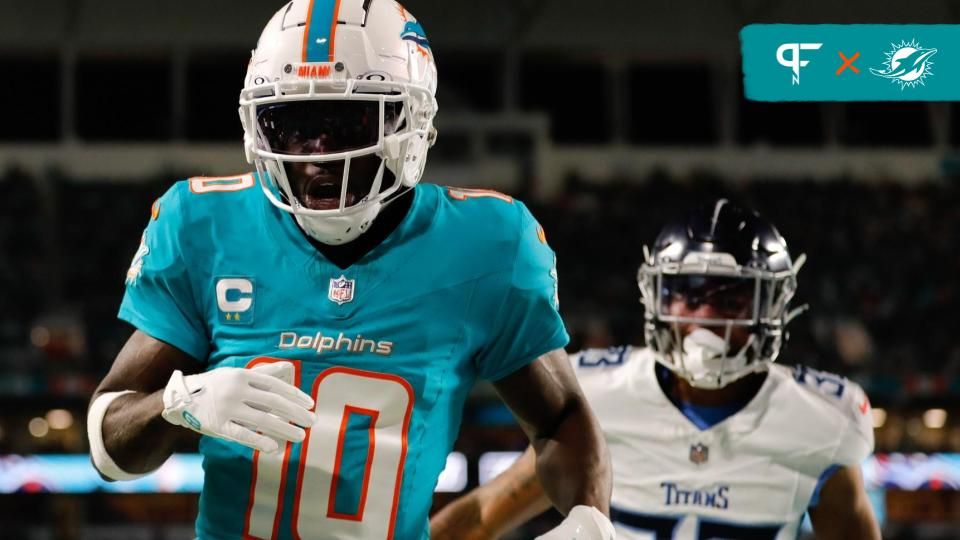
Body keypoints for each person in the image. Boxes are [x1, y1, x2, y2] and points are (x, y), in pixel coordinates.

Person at [85, 1, 614, 538]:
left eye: (346, 122)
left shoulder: (487, 244)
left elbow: (562, 418)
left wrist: (590, 517)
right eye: (291, 123)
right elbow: (109, 447)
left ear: (412, 119)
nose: (317, 153)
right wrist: (179, 404)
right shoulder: (204, 225)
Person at [430, 200, 880, 540]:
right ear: (657, 297)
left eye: (731, 298)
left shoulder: (823, 420)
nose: (705, 318)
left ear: (773, 308)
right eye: (689, 294)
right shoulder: (600, 394)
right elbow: (484, 513)